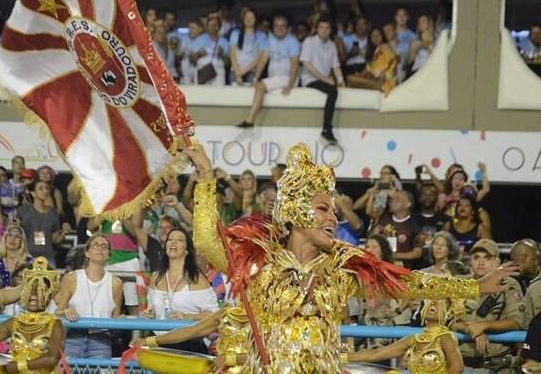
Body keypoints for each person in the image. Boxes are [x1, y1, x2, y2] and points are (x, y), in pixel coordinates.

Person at [183, 142, 516, 373]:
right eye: (323, 209)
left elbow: (407, 284)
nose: (333, 220)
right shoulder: (260, 263)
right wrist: (205, 178)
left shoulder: (343, 271)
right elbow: (207, 240)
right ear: (297, 211)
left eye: (334, 212)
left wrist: (474, 287)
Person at [455, 239, 524, 372]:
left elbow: (517, 321)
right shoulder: (459, 284)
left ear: (497, 262)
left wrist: (484, 326)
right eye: (476, 257)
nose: (481, 262)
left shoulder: (509, 285)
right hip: (462, 362)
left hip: (496, 364)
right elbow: (445, 319)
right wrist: (471, 329)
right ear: (470, 261)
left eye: (487, 258)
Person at [145, 227, 218, 353]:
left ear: (187, 250)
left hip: (188, 343)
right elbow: (151, 309)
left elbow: (214, 315)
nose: (173, 242)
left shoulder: (196, 279)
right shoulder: (155, 277)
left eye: (179, 240)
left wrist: (187, 316)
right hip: (157, 342)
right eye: (170, 240)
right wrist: (149, 315)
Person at [348, 298, 465, 374]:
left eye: (440, 300)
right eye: (431, 300)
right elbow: (376, 353)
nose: (433, 303)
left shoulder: (445, 337)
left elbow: (457, 367)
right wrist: (342, 357)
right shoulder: (414, 339)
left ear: (449, 313)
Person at [55, 234, 123, 359]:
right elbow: (57, 312)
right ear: (87, 253)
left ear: (109, 255)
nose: (100, 248)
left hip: (102, 340)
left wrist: (121, 319)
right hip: (73, 338)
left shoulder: (116, 283)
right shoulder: (71, 278)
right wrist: (66, 311)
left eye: (104, 246)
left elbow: (115, 318)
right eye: (95, 245)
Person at [236, 14, 301, 128]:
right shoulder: (269, 39)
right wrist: (256, 78)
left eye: (282, 26)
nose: (279, 28)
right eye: (276, 26)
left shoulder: (292, 41)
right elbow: (263, 60)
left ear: (288, 28)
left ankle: (250, 121)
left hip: (288, 78)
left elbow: (294, 65)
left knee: (261, 86)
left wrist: (290, 85)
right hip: (275, 79)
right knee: (259, 85)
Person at [299, 14, 345, 143]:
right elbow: (306, 64)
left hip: (324, 79)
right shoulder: (309, 42)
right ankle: (326, 128)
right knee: (332, 91)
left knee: (337, 89)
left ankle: (327, 129)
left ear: (331, 30)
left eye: (327, 28)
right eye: (321, 27)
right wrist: (326, 79)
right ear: (317, 29)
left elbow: (336, 67)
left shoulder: (331, 45)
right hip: (309, 79)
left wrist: (341, 82)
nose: (324, 30)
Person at [16, 179, 68, 267]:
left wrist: (63, 233)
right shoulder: (22, 211)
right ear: (33, 193)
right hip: (27, 256)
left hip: (47, 256)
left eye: (47, 188)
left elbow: (55, 239)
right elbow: (16, 232)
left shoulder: (53, 213)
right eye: (41, 188)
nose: (45, 191)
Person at [371, 190, 424, 268]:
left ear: (408, 204)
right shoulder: (384, 218)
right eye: (392, 199)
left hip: (405, 270)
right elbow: (372, 241)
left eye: (397, 199)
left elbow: (417, 253)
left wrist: (393, 255)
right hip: (382, 267)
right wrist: (375, 233)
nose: (392, 201)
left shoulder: (416, 223)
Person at [347, 27, 398, 94]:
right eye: (373, 36)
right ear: (370, 39)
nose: (376, 38)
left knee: (350, 78)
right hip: (377, 80)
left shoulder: (385, 48)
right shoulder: (376, 50)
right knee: (353, 80)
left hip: (386, 83)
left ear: (383, 36)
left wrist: (359, 76)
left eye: (378, 35)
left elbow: (372, 68)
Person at [229, 7, 266, 85]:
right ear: (243, 19)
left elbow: (260, 58)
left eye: (251, 17)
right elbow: (232, 55)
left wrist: (243, 71)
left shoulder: (261, 35)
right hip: (235, 71)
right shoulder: (235, 33)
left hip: (252, 72)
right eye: (246, 17)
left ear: (255, 19)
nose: (249, 19)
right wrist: (238, 73)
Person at [192, 14, 229, 86]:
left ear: (219, 27)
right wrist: (199, 54)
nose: (213, 27)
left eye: (215, 25)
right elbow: (192, 59)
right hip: (202, 71)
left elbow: (228, 64)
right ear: (207, 27)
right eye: (211, 25)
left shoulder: (224, 42)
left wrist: (222, 55)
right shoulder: (199, 39)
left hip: (218, 73)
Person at [177, 19, 204, 85]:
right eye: (189, 28)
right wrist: (180, 53)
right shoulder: (184, 39)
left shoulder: (204, 39)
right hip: (187, 69)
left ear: (200, 29)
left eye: (193, 28)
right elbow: (178, 54)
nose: (190, 30)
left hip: (200, 69)